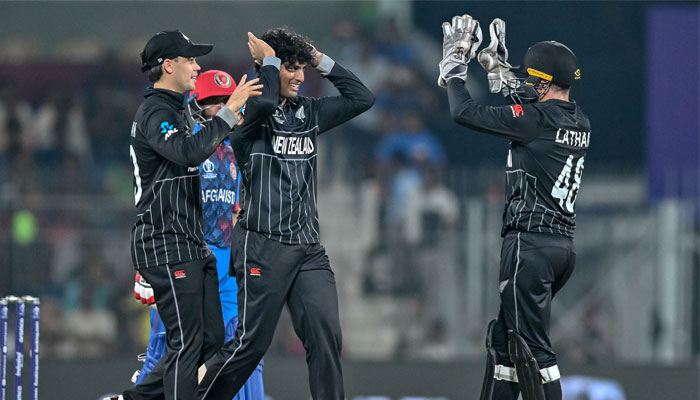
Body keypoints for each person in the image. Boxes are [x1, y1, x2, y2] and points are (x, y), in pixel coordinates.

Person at [196, 28, 374, 400]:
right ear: (270, 69)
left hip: (307, 248)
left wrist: (318, 57)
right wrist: (269, 63)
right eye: (289, 68)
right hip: (262, 245)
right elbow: (262, 104)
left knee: (326, 336)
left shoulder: (309, 113)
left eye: (301, 69)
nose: (298, 76)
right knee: (249, 347)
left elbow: (362, 98)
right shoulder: (246, 116)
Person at [438, 16, 590, 400]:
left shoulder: (536, 120)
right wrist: (498, 71)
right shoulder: (579, 120)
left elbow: (464, 113)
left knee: (532, 351)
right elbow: (531, 103)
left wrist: (455, 69)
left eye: (533, 76)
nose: (528, 82)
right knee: (505, 346)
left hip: (530, 246)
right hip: (560, 248)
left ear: (544, 81)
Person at [116, 30, 262, 400]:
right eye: (190, 59)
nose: (197, 66)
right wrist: (229, 111)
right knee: (185, 343)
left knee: (211, 338)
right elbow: (189, 152)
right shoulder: (156, 112)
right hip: (166, 242)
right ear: (168, 65)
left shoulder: (176, 110)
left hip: (191, 243)